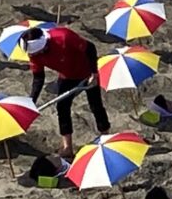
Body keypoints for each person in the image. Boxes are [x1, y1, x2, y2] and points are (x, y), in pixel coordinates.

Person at [21, 25, 111, 157]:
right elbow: (38, 78)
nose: (33, 56)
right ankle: (67, 147)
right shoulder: (33, 54)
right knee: (62, 107)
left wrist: (94, 73)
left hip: (87, 72)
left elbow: (90, 48)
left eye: (36, 53)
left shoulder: (64, 37)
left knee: (95, 105)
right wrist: (32, 101)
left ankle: (105, 137)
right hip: (66, 76)